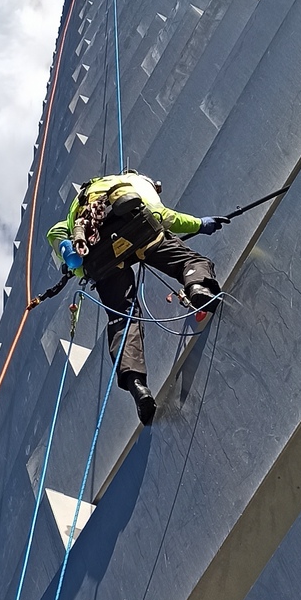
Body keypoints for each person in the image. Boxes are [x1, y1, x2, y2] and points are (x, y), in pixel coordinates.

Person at [46, 171, 224, 425]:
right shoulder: (134, 182)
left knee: (123, 317)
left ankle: (136, 384)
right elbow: (161, 216)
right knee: (190, 261)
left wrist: (78, 269)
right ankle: (197, 288)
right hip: (137, 230)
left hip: (100, 258)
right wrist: (200, 224)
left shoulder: (79, 206)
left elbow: (55, 233)